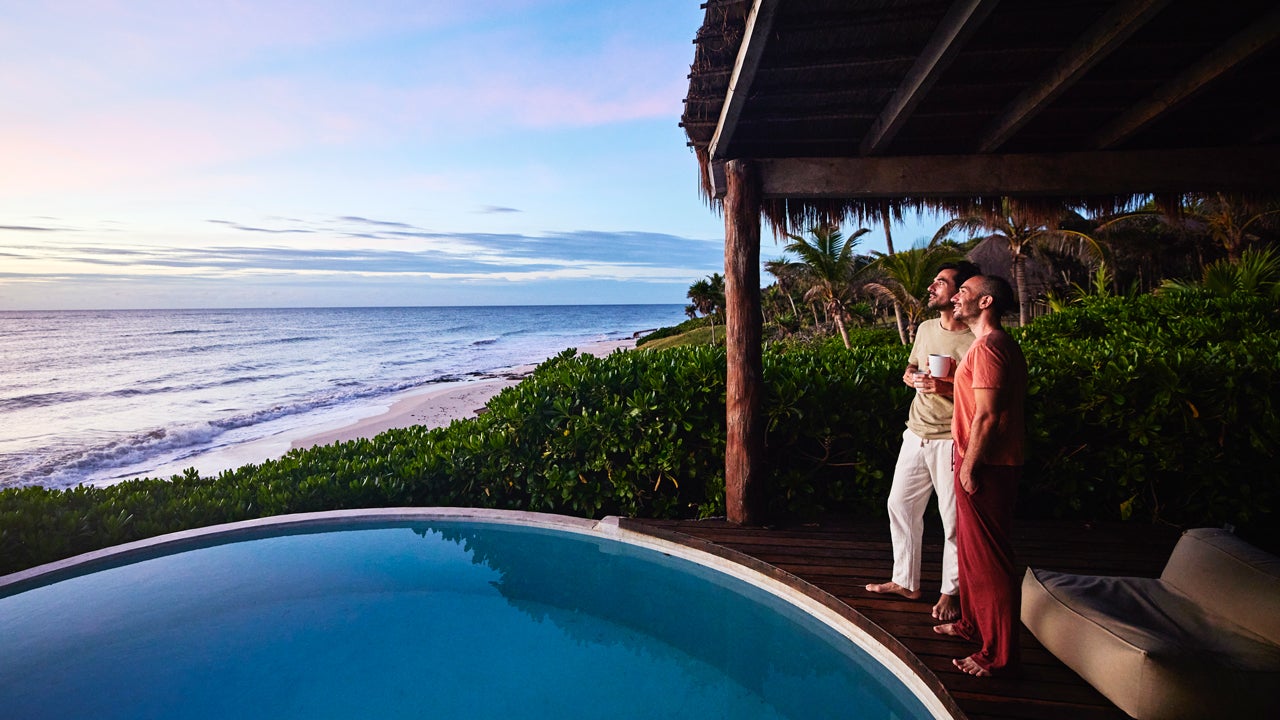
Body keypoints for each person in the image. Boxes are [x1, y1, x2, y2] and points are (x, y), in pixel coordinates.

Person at [865, 261, 979, 623]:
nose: (932, 288)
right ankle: (905, 581)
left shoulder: (975, 340)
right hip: (916, 433)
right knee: (900, 504)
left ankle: (951, 590)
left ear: (960, 293)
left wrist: (944, 387)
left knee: (953, 522)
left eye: (941, 283)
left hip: (951, 439)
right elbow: (912, 368)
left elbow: (983, 397)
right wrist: (912, 376)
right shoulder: (928, 328)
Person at [933, 274, 1028, 678]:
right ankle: (972, 623)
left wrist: (969, 466)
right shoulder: (984, 347)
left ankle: (999, 655)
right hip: (978, 460)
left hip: (988, 464)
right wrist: (942, 383)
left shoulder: (990, 347)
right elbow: (978, 399)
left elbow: (988, 416)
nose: (955, 297)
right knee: (971, 555)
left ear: (986, 301)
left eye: (964, 293)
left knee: (990, 561)